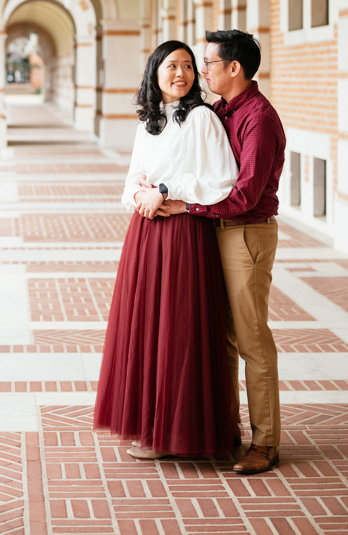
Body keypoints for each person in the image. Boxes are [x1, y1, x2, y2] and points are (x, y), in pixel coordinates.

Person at [93, 40, 239, 459]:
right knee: (146, 329)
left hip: (183, 234)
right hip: (144, 233)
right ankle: (151, 427)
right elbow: (130, 180)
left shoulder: (201, 119)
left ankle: (176, 434)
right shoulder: (148, 123)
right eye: (172, 66)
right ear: (154, 73)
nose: (182, 74)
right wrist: (139, 195)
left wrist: (165, 190)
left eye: (189, 66)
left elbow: (222, 179)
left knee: (178, 331)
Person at [152, 30, 286, 476]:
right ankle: (223, 431)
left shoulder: (259, 119)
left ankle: (265, 444)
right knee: (219, 337)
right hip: (215, 229)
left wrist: (186, 206)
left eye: (207, 62)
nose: (200, 70)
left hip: (245, 232)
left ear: (234, 68)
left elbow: (245, 194)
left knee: (251, 339)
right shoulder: (220, 111)